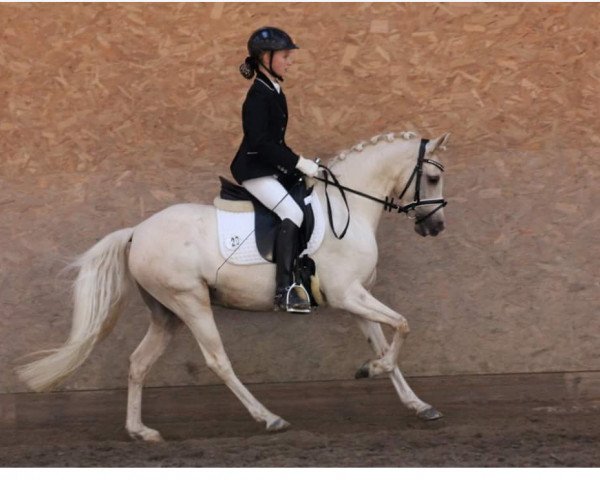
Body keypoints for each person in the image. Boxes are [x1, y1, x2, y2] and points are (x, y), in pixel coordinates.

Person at [230, 27, 320, 314]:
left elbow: (276, 142)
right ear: (265, 58)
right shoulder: (258, 96)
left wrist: (296, 165)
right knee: (291, 213)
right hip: (254, 170)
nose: (289, 61)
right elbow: (262, 143)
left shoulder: (275, 91)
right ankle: (285, 290)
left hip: (270, 167)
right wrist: (297, 162)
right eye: (285, 56)